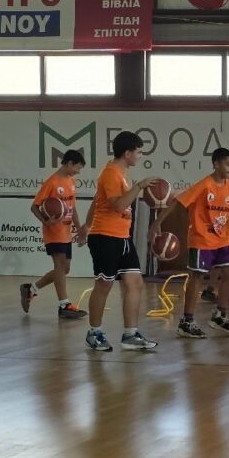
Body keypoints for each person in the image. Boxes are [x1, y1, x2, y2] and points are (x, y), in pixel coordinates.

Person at [152, 147, 229, 339]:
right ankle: (186, 322)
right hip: (201, 239)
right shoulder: (204, 185)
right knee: (197, 276)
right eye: (227, 164)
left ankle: (219, 315)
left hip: (222, 240)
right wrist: (157, 222)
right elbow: (177, 202)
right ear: (216, 164)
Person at [84, 132, 158, 353]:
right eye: (138, 152)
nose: (140, 156)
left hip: (122, 237)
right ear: (127, 153)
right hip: (105, 237)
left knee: (135, 283)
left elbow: (97, 202)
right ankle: (94, 333)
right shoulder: (110, 173)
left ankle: (130, 334)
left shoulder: (120, 174)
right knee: (104, 284)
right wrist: (139, 186)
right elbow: (118, 205)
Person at [21, 149, 87, 319]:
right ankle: (64, 305)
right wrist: (46, 221)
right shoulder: (52, 182)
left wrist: (80, 229)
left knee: (65, 269)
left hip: (66, 232)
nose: (78, 172)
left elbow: (72, 208)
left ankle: (31, 289)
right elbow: (34, 207)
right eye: (77, 168)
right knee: (60, 265)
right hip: (54, 232)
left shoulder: (71, 181)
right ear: (69, 163)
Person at [203, 165, 229, 304]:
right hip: (226, 237)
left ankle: (211, 289)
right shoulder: (222, 189)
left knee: (221, 264)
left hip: (228, 236)